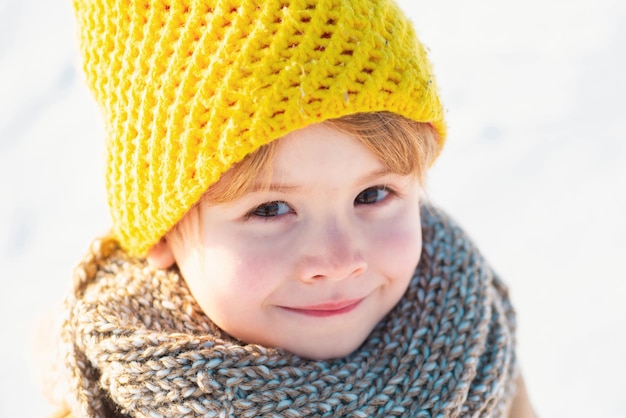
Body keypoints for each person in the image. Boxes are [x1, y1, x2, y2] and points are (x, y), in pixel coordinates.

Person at [48, 0, 535, 416]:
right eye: (271, 209)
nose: (340, 261)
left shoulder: (474, 344)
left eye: (372, 195)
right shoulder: (106, 392)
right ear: (163, 230)